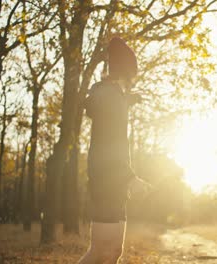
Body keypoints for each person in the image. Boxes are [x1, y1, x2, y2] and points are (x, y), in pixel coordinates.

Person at [79, 37, 150, 264]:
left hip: (114, 181)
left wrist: (129, 100)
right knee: (100, 251)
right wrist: (130, 178)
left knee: (113, 252)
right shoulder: (110, 97)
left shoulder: (115, 96)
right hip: (106, 179)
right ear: (127, 70)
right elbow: (108, 146)